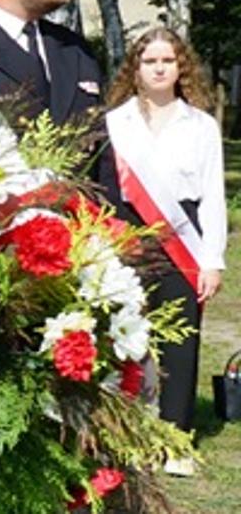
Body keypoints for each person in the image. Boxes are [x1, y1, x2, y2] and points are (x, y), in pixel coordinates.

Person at [102, 27, 227, 476]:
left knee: (179, 340)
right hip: (125, 233)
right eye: (149, 60)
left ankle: (174, 439)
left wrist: (211, 260)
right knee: (122, 333)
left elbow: (213, 195)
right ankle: (124, 431)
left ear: (181, 68)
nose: (158, 68)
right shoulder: (114, 123)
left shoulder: (201, 125)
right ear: (134, 69)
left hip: (182, 236)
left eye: (167, 61)